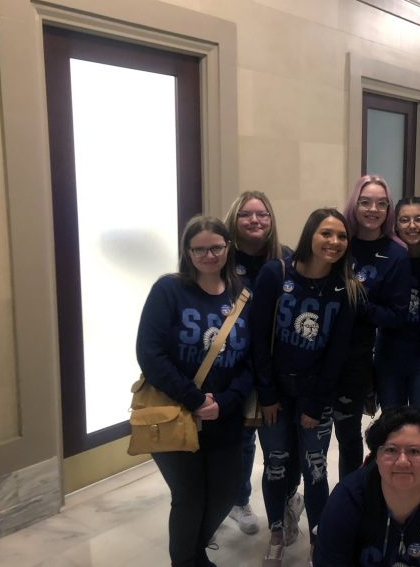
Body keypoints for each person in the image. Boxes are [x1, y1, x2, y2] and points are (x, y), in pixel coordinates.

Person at [135, 215, 252, 567]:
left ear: (228, 248)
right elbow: (149, 352)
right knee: (188, 497)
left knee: (225, 493)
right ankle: (187, 561)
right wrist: (196, 399)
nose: (209, 255)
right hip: (175, 412)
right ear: (187, 252)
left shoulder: (243, 295)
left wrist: (227, 402)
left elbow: (253, 360)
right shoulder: (168, 290)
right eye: (199, 249)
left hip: (225, 417)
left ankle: (193, 553)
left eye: (216, 247)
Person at [252, 208, 363, 567]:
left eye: (341, 236)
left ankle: (319, 541)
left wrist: (316, 404)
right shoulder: (276, 273)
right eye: (326, 234)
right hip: (275, 395)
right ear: (310, 235)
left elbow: (338, 353)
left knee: (316, 469)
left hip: (316, 395)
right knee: (276, 466)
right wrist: (267, 394)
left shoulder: (347, 287)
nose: (334, 242)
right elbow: (257, 339)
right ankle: (277, 534)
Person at [222, 191, 304, 542]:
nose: (255, 220)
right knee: (241, 440)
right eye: (246, 214)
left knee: (281, 442)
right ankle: (238, 501)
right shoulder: (221, 259)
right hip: (235, 368)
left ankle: (286, 499)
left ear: (271, 220)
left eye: (262, 214)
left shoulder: (287, 259)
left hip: (276, 366)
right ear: (234, 220)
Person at [313, 405, 420, 566]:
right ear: (375, 457)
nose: (402, 462)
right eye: (391, 450)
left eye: (414, 451)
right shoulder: (346, 500)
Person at [335, 176, 411, 479]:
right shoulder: (339, 242)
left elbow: (396, 315)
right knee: (326, 435)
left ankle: (357, 497)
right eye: (365, 201)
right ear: (354, 204)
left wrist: (356, 303)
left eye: (381, 203)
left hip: (364, 356)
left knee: (352, 437)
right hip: (326, 354)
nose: (373, 209)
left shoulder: (397, 253)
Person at [373, 197, 420, 414]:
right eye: (405, 220)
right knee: (392, 423)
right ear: (395, 224)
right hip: (390, 353)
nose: (412, 226)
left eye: (419, 219)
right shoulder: (386, 258)